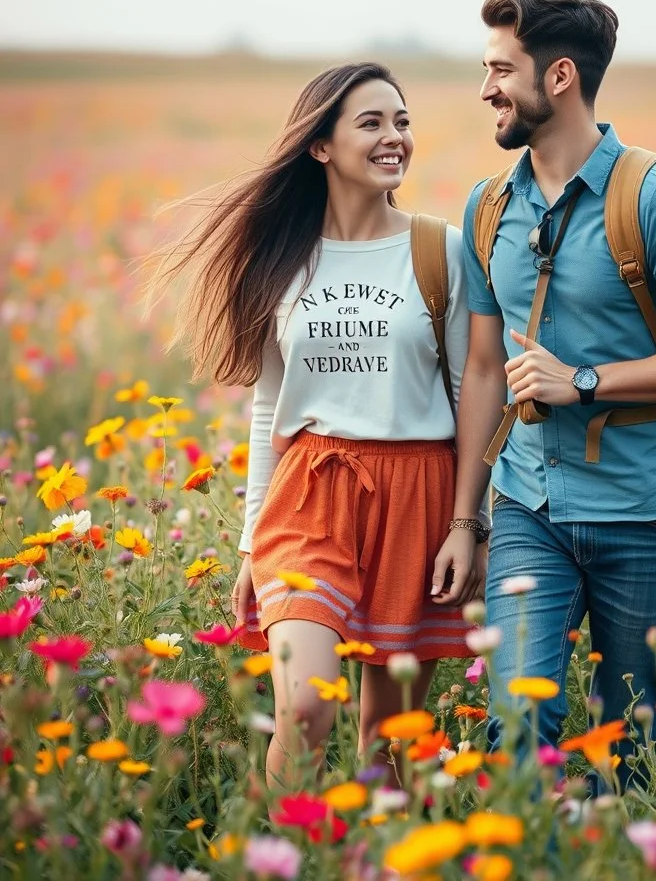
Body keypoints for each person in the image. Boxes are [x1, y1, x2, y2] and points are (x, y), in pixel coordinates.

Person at [437, 0, 656, 780]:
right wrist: (463, 520)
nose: (486, 89)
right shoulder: (488, 207)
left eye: (501, 70)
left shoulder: (654, 198)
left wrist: (582, 380)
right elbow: (483, 371)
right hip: (527, 509)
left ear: (559, 77)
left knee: (633, 742)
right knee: (517, 718)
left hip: (646, 511)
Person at [151, 63, 486, 794]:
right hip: (309, 494)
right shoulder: (284, 257)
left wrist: (469, 523)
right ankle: (280, 857)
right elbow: (270, 407)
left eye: (401, 121)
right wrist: (248, 542)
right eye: (371, 123)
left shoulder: (441, 249)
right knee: (303, 708)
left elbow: (471, 396)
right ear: (321, 147)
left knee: (387, 744)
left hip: (417, 498)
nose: (394, 137)